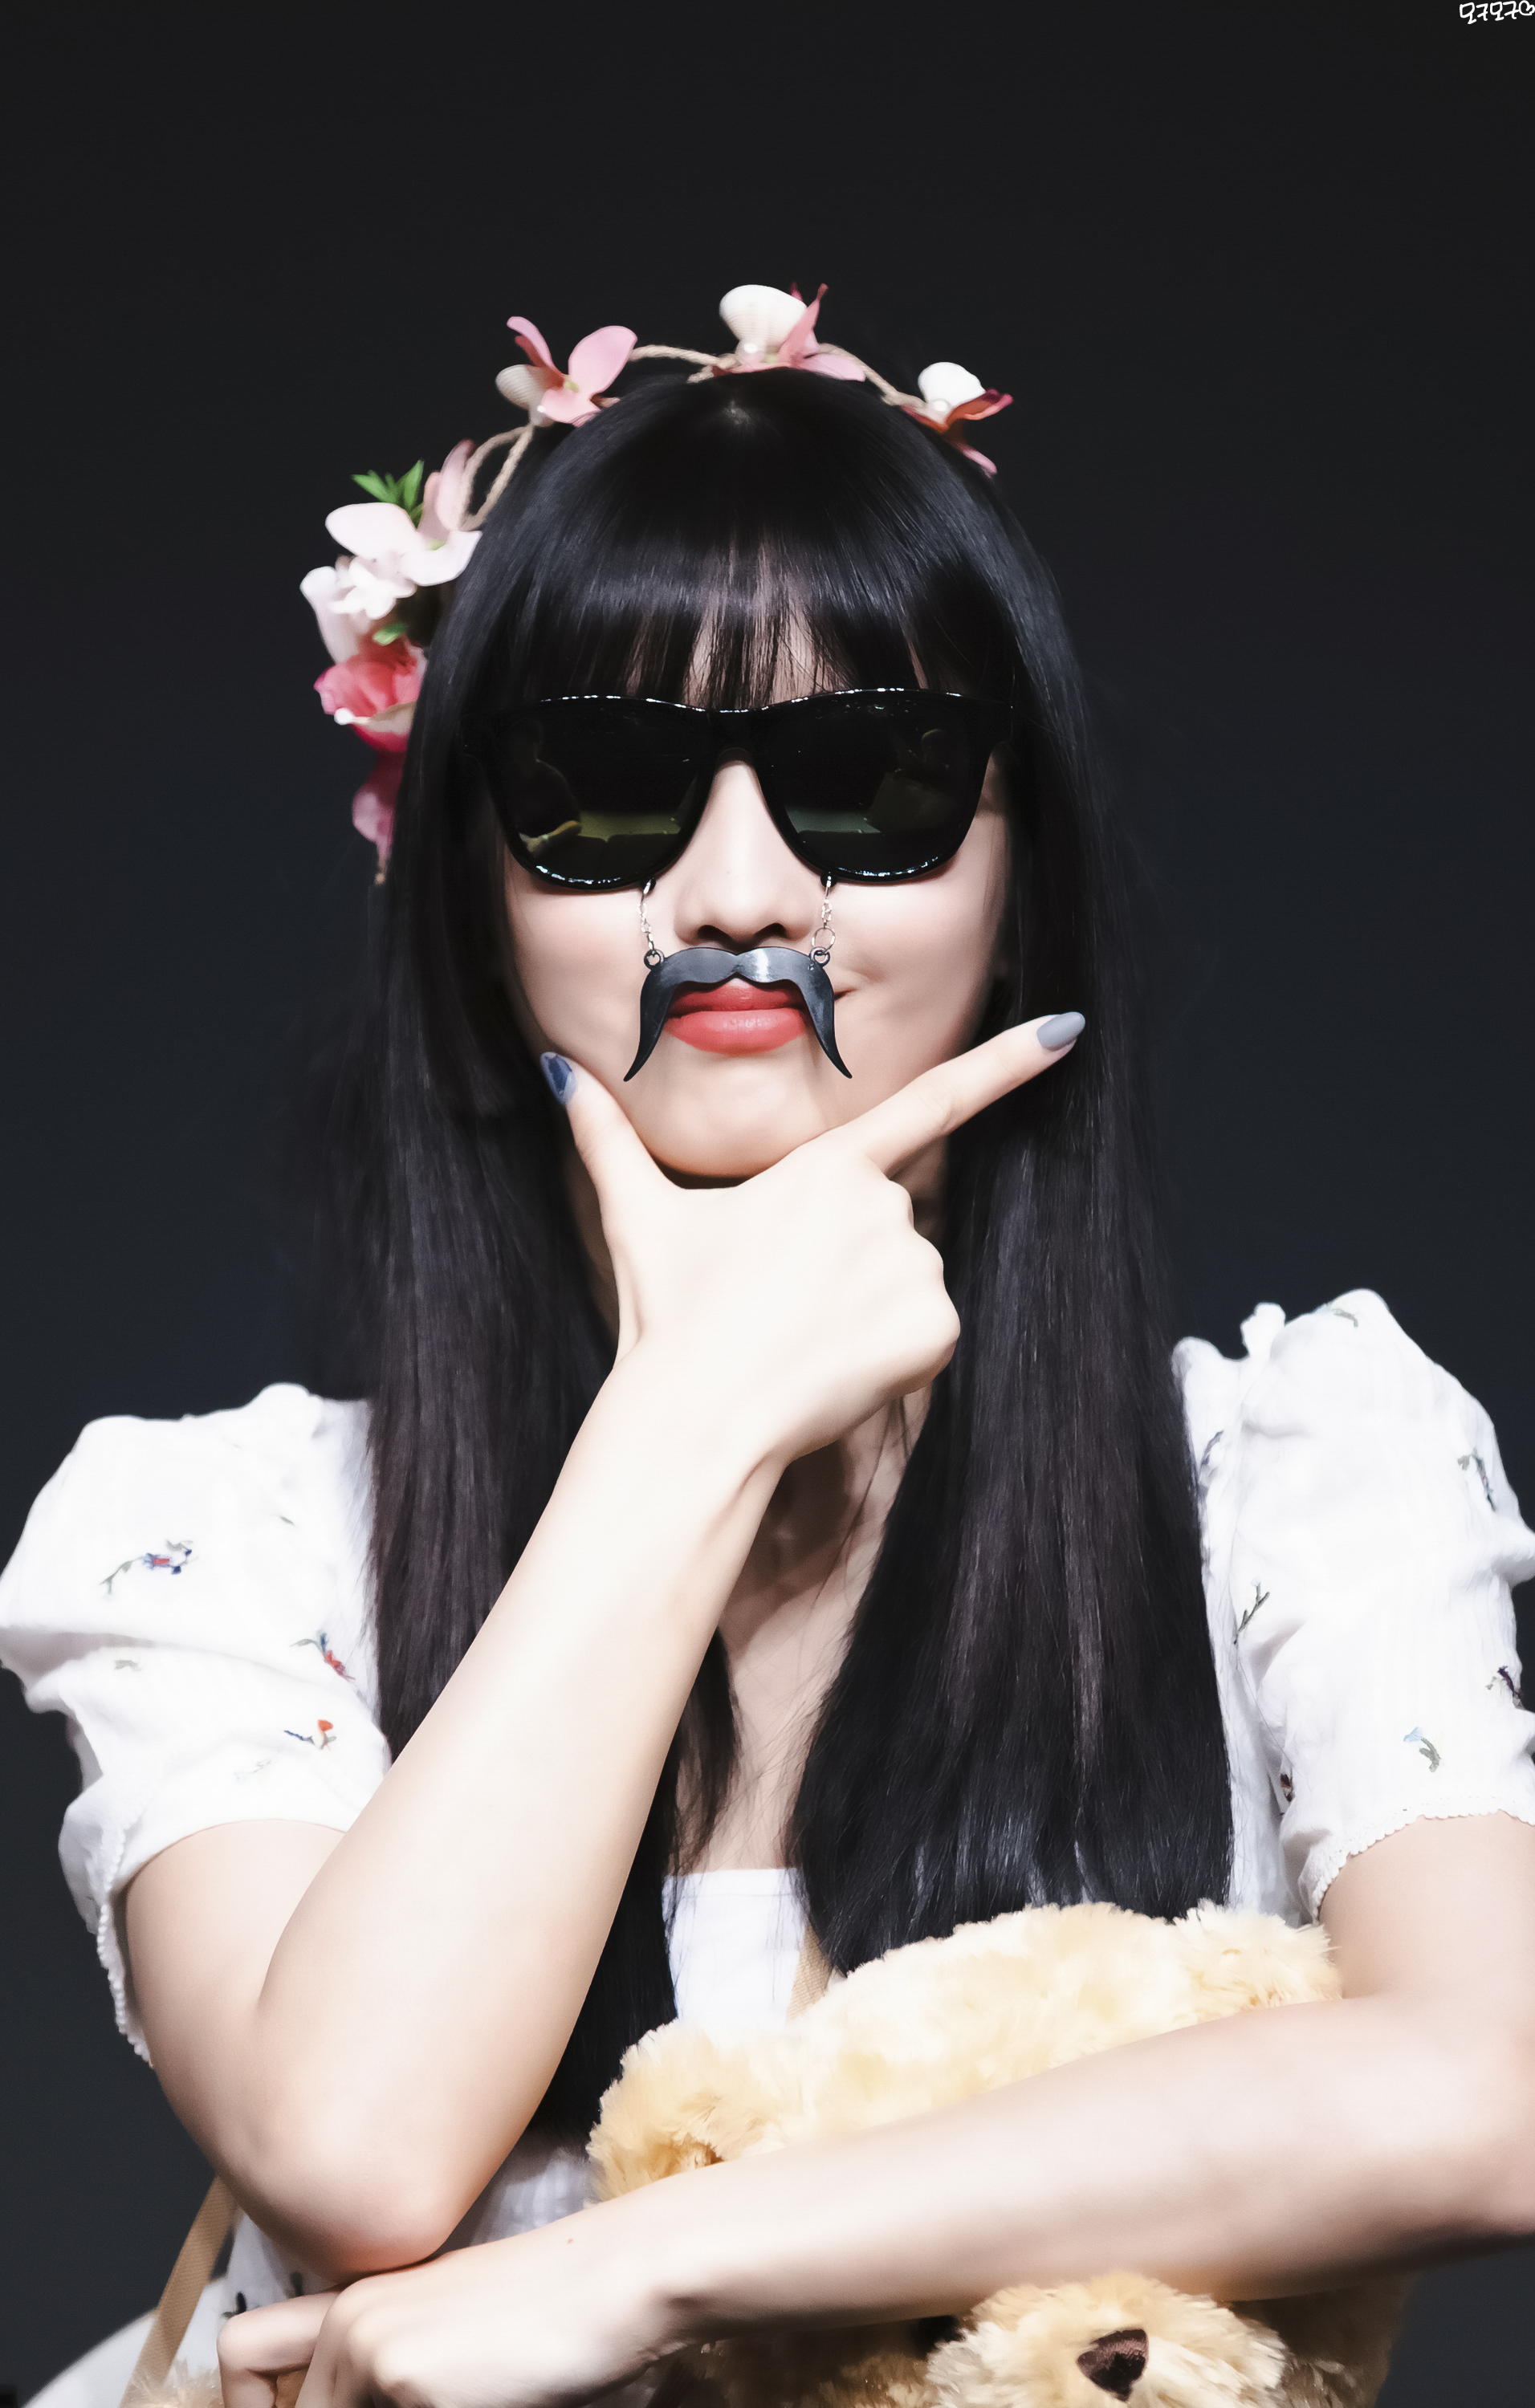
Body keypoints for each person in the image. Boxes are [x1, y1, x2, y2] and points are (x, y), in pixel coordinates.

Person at [4, 332, 1534, 2408]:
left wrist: (647, 2270)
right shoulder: (237, 1541)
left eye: (872, 784)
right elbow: (357, 2152)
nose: (738, 896)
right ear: (470, 888)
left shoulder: (1290, 1479)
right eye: (604, 791)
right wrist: (695, 1411)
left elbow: (1491, 2091)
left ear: (1021, 870)